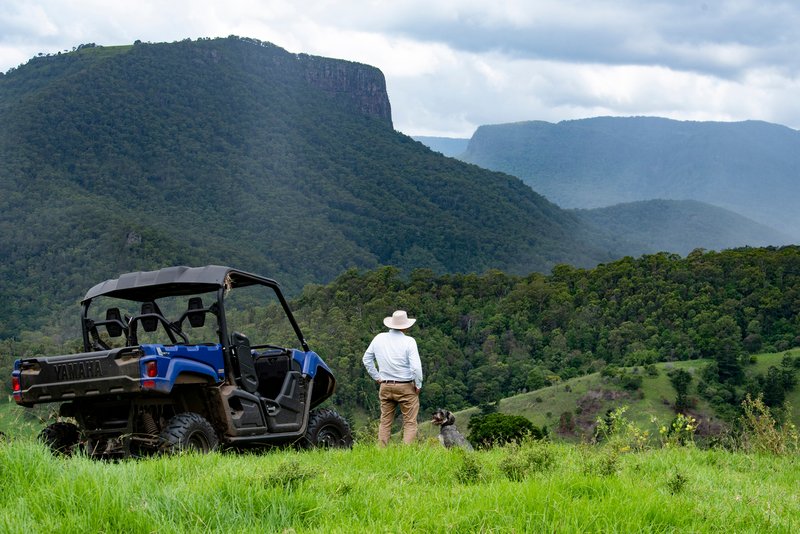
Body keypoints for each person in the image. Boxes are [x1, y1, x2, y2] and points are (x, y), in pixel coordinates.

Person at [362, 310, 423, 446]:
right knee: (410, 422)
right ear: (405, 326)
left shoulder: (379, 338)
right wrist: (418, 385)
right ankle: (406, 454)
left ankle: (382, 453)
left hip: (385, 386)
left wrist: (377, 377)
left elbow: (366, 359)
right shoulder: (409, 341)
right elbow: (416, 368)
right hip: (406, 386)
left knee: (385, 422)